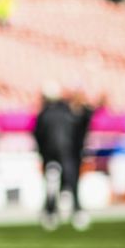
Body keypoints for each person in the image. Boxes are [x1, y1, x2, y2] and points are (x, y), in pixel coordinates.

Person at [34, 83, 91, 231]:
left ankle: (51, 212)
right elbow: (82, 128)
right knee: (71, 185)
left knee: (52, 185)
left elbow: (38, 136)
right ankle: (76, 211)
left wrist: (43, 154)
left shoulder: (44, 114)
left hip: (53, 155)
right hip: (68, 154)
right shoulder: (68, 112)